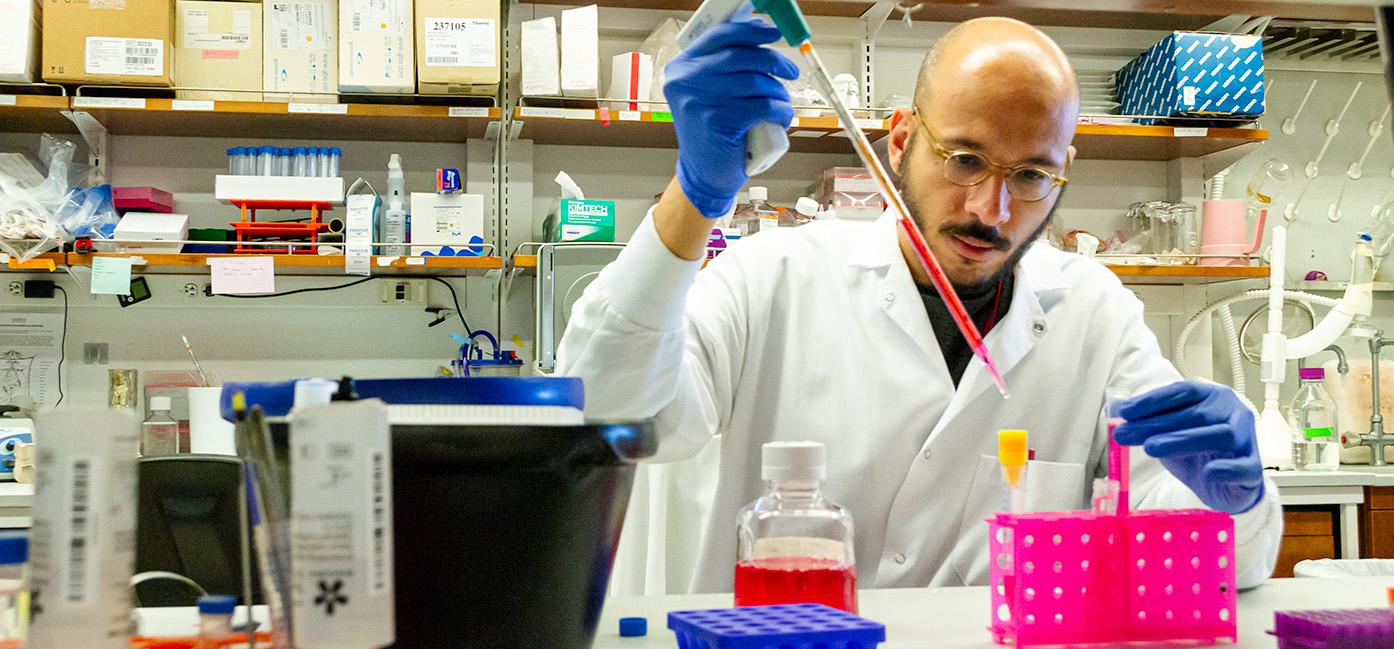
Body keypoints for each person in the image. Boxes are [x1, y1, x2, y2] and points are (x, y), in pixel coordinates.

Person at [557, 10, 1281, 593]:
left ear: (1064, 170)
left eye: (1031, 175)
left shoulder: (1095, 313)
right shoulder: (768, 277)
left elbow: (1209, 557)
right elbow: (605, 412)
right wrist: (694, 195)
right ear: (900, 140)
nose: (990, 210)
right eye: (965, 159)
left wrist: (1237, 500)